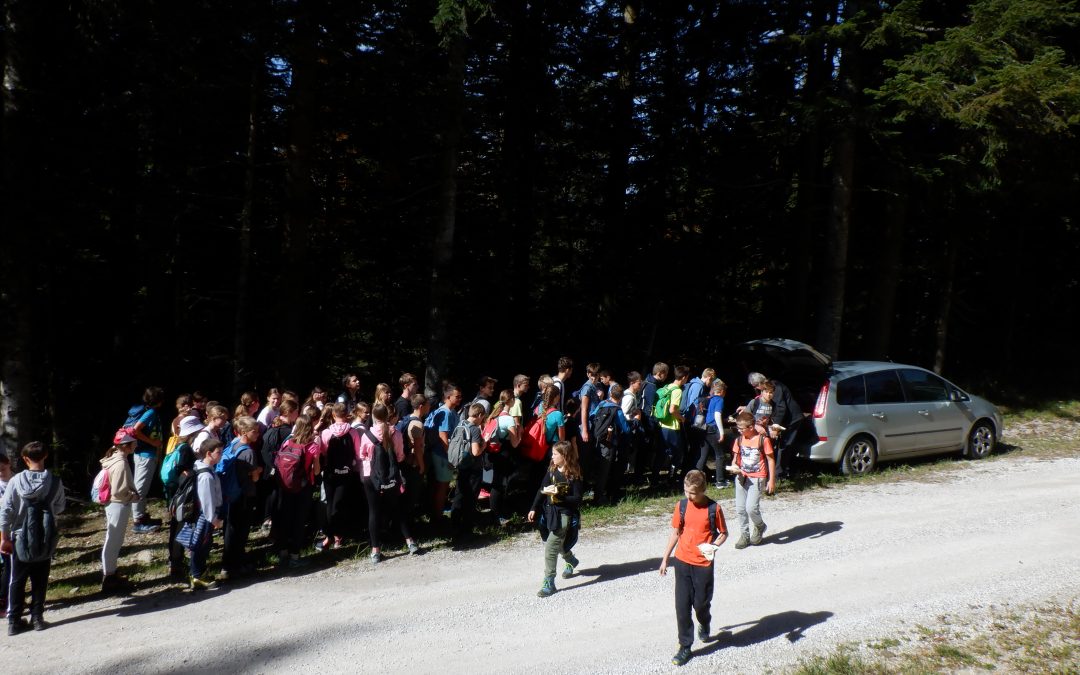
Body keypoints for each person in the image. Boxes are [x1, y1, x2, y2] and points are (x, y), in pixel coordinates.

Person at [659, 469, 728, 667]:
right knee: (681, 607)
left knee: (700, 605)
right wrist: (665, 559)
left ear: (703, 490)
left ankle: (704, 621)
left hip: (703, 564)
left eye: (693, 493)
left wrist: (713, 546)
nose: (689, 496)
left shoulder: (714, 509)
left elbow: (723, 533)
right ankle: (685, 646)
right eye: (686, 491)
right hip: (682, 561)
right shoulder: (681, 506)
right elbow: (675, 533)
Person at [0, 441, 66, 634]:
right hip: (45, 537)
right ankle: (37, 618)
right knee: (40, 578)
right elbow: (60, 507)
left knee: (17, 579)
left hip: (19, 537)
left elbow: (6, 511)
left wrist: (4, 537)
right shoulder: (54, 481)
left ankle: (14, 622)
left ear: (25, 459)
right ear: (45, 456)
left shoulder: (15, 481)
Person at [358, 403, 419, 562]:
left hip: (370, 477)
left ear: (373, 416)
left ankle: (375, 551)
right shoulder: (396, 433)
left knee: (374, 511)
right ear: (388, 415)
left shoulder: (367, 435)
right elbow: (400, 456)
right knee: (398, 508)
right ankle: (410, 542)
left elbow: (362, 455)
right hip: (391, 476)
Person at [527, 440, 583, 598]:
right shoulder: (552, 469)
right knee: (557, 543)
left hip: (564, 515)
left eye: (555, 454)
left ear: (564, 456)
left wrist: (559, 496)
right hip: (549, 513)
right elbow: (542, 489)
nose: (552, 456)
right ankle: (570, 559)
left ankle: (549, 582)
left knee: (551, 547)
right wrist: (533, 508)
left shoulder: (574, 473)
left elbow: (578, 499)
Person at [175, 438, 224, 591]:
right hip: (204, 516)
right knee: (199, 545)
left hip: (201, 515)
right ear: (208, 454)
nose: (221, 455)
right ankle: (196, 576)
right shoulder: (206, 476)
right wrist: (214, 519)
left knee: (200, 543)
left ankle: (199, 573)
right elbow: (207, 500)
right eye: (218, 452)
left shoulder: (200, 467)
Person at [273, 414, 321, 568]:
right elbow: (317, 471)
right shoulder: (312, 446)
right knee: (299, 521)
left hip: (286, 487)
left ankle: (283, 555)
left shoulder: (288, 441)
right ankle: (295, 557)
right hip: (303, 487)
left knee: (285, 519)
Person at [221, 416, 262, 580]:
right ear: (245, 432)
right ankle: (237, 566)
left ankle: (227, 565)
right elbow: (255, 479)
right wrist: (257, 471)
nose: (258, 434)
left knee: (230, 529)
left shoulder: (232, 445)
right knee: (241, 531)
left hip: (230, 495)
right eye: (254, 431)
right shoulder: (248, 452)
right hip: (244, 494)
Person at [100, 429, 141, 594]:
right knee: (113, 541)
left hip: (113, 504)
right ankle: (109, 577)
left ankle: (110, 573)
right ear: (128, 446)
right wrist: (134, 496)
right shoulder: (121, 463)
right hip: (119, 504)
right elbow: (119, 491)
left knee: (112, 540)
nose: (136, 444)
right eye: (134, 442)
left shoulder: (113, 458)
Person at [741, 372, 803, 478]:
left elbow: (781, 407)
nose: (756, 389)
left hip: (792, 418)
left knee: (784, 446)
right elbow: (763, 404)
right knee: (778, 446)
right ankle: (777, 472)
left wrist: (775, 427)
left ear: (760, 383)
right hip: (783, 420)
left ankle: (779, 474)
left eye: (756, 386)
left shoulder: (775, 387)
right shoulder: (767, 389)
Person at [318, 403, 362, 551]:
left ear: (333, 415)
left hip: (330, 473)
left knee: (330, 504)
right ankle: (339, 536)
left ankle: (328, 536)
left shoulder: (326, 433)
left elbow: (323, 453)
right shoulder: (353, 432)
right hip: (346, 472)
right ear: (347, 414)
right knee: (341, 504)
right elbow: (358, 453)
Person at [730, 411, 775, 549]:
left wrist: (771, 480)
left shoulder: (763, 440)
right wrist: (734, 466)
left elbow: (770, 460)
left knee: (751, 508)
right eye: (738, 428)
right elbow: (735, 458)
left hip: (757, 478)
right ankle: (744, 535)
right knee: (740, 509)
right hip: (741, 477)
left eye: (741, 428)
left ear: (750, 427)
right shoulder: (739, 440)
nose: (739, 430)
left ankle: (760, 526)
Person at [164, 416, 202, 581]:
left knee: (176, 526)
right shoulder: (186, 449)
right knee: (179, 526)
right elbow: (183, 470)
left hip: (175, 493)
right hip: (183, 494)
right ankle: (176, 565)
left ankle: (175, 562)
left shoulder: (177, 445)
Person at [127, 386, 165, 533]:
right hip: (145, 455)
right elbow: (134, 430)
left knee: (142, 487)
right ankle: (137, 522)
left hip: (144, 454)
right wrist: (152, 442)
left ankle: (141, 516)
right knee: (140, 488)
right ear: (159, 401)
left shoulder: (147, 410)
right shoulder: (150, 413)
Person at [424, 383, 463, 523]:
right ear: (448, 397)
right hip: (441, 454)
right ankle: (437, 519)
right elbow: (443, 436)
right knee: (442, 485)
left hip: (440, 453)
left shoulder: (449, 411)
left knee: (440, 485)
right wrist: (451, 457)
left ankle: (435, 515)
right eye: (457, 397)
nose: (459, 399)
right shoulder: (445, 412)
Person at [449, 403, 486, 546]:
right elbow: (476, 452)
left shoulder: (460, 425)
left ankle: (454, 528)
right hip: (473, 469)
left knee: (459, 496)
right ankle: (467, 532)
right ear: (480, 415)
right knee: (470, 499)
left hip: (461, 466)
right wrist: (485, 444)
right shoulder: (475, 429)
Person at [485, 390, 521, 526]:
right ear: (511, 400)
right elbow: (515, 443)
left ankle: (494, 514)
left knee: (495, 483)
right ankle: (497, 515)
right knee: (500, 485)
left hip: (494, 454)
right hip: (504, 455)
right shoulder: (509, 419)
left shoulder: (494, 416)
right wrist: (519, 432)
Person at [590, 383, 629, 505]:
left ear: (610, 394)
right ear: (621, 397)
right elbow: (626, 429)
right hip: (608, 443)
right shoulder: (617, 410)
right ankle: (599, 498)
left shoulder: (601, 404)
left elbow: (592, 416)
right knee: (604, 471)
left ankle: (594, 492)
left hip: (595, 441)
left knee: (596, 468)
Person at [658, 366, 690, 480]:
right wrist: (682, 418)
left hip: (662, 424)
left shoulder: (668, 387)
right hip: (672, 426)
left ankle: (656, 478)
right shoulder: (677, 390)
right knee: (677, 453)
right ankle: (671, 478)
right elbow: (672, 410)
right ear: (684, 377)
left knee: (663, 452)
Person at [701, 380, 731, 488]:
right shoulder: (719, 400)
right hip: (713, 429)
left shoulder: (711, 399)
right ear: (722, 391)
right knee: (720, 455)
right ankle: (720, 481)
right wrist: (722, 432)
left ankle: (695, 480)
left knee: (703, 456)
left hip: (705, 429)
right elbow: (717, 415)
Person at [0, 453, 13, 616]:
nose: (1, 473)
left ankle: (7, 597)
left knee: (11, 565)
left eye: (3, 468)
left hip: (14, 529)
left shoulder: (17, 480)